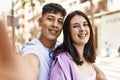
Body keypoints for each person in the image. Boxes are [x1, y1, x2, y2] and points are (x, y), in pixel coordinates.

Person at [0, 3, 66, 80]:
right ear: (40, 22)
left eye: (60, 21)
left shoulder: (61, 47)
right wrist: (18, 73)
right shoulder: (32, 49)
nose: (55, 24)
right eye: (50, 19)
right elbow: (30, 63)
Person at [49, 10, 107, 80]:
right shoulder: (62, 63)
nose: (82, 29)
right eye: (76, 26)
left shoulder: (88, 59)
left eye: (85, 24)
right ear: (68, 32)